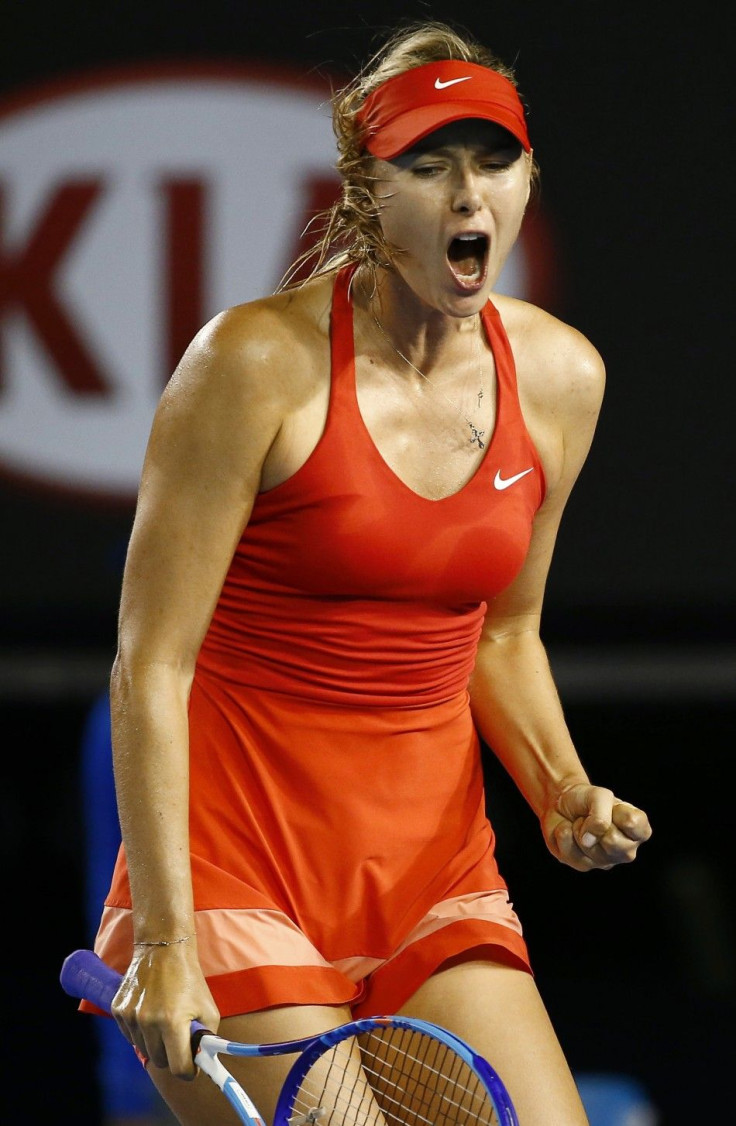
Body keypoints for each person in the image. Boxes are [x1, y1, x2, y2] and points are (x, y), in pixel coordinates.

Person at [82, 19, 652, 1126]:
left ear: (529, 179)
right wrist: (166, 937)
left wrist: (561, 789)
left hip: (434, 878)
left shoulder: (560, 378)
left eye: (493, 161)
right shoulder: (250, 364)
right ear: (364, 188)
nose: (465, 193)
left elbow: (501, 634)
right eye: (426, 165)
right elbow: (150, 665)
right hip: (235, 872)